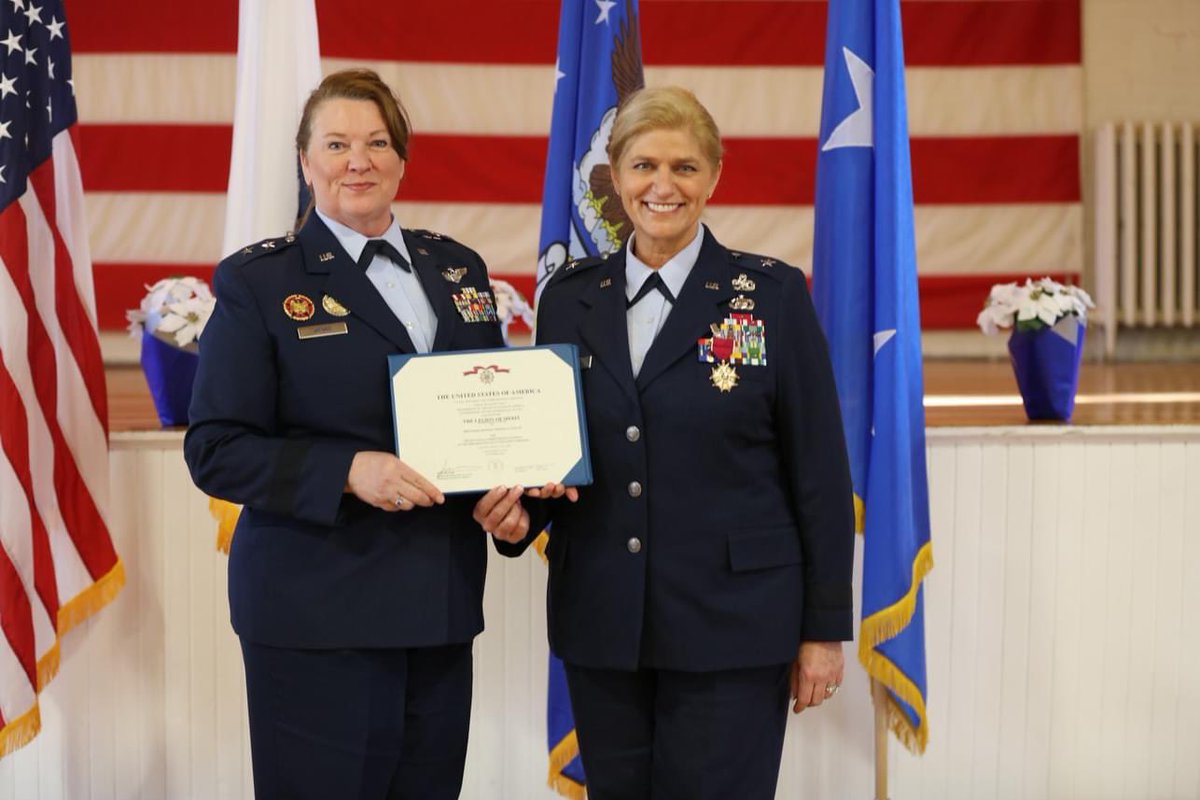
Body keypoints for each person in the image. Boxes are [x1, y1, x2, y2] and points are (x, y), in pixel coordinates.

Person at [487, 86, 856, 800]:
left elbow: (819, 472)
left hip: (736, 629)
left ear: (714, 177)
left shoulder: (772, 296)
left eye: (685, 168)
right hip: (604, 625)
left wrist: (824, 629)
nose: (663, 186)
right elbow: (556, 457)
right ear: (616, 178)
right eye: (644, 166)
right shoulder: (568, 296)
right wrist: (517, 518)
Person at [184, 69, 534, 800]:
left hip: (436, 610)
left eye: (377, 142)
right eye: (337, 143)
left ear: (402, 159)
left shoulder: (457, 269)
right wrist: (348, 469)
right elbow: (215, 447)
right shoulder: (260, 284)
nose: (358, 161)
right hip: (316, 612)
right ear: (305, 162)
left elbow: (491, 419)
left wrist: (514, 502)